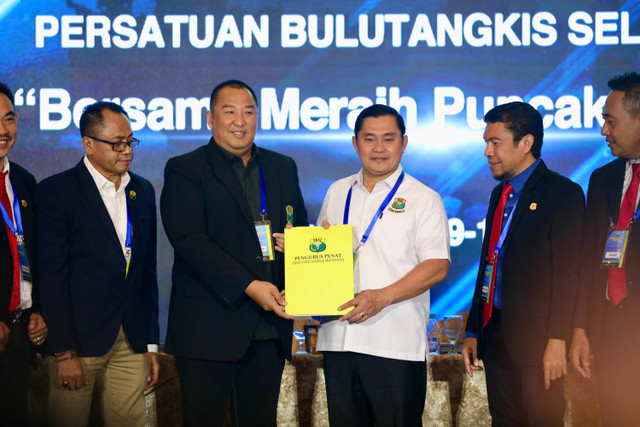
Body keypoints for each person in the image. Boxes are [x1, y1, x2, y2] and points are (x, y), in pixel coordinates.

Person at [160, 79, 308, 426]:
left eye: (249, 111)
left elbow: (296, 223)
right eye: (229, 111)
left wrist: (305, 244)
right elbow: (190, 240)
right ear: (210, 119)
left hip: (269, 328)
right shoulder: (186, 169)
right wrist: (250, 285)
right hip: (208, 328)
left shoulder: (282, 166)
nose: (240, 120)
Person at [315, 104, 450, 425]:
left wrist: (382, 297)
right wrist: (294, 250)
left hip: (394, 347)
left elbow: (437, 266)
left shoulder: (424, 198)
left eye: (388, 139)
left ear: (404, 143)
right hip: (338, 340)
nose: (379, 148)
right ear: (355, 143)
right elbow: (320, 256)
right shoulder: (337, 191)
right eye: (369, 139)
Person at [36, 101, 159, 427]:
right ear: (88, 144)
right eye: (116, 143)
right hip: (77, 342)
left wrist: (149, 343)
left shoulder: (143, 190)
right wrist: (63, 351)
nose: (127, 150)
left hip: (130, 340)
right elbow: (51, 277)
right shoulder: (56, 192)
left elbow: (146, 272)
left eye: (130, 141)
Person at [462, 101, 584, 426]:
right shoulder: (499, 194)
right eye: (486, 143)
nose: (487, 152)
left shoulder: (563, 193)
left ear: (525, 143)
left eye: (495, 142)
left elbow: (569, 275)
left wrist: (558, 338)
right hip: (496, 334)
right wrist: (474, 329)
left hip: (540, 341)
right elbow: (488, 263)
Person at [569, 72, 640, 426]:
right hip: (609, 334)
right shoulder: (602, 179)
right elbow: (587, 263)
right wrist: (581, 328)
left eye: (610, 121)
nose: (603, 131)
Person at [0, 82, 48, 426]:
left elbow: (34, 251)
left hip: (18, 334)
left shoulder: (23, 180)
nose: (3, 131)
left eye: (9, 119)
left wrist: (38, 309)